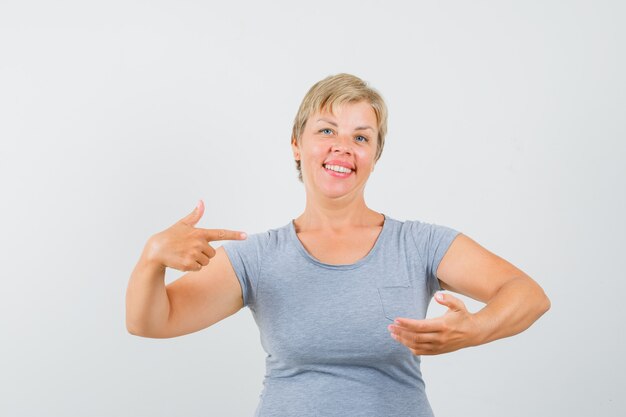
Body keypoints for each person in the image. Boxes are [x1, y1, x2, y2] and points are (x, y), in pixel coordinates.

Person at [125, 73, 551, 417]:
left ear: (375, 154)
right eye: (326, 130)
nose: (342, 147)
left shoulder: (418, 244)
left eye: (361, 137)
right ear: (297, 145)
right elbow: (150, 322)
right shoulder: (258, 257)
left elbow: (528, 294)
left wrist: (476, 330)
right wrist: (152, 260)